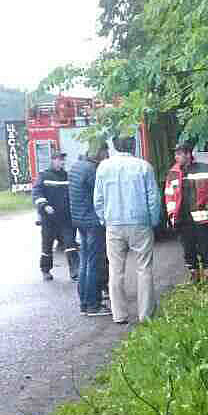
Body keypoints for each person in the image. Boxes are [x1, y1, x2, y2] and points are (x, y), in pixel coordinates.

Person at [93, 136, 162, 324]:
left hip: (113, 224)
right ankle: (145, 314)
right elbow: (153, 198)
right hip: (140, 223)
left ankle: (119, 315)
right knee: (144, 269)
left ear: (114, 146)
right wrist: (153, 220)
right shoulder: (144, 166)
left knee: (116, 270)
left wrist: (103, 219)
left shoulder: (103, 167)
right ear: (133, 146)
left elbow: (98, 199)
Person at [163, 140, 208, 284]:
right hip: (182, 219)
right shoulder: (173, 173)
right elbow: (169, 195)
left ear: (188, 154)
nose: (176, 157)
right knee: (188, 250)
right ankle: (194, 277)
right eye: (175, 154)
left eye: (179, 154)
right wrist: (172, 215)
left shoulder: (205, 169)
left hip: (202, 218)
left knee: (205, 248)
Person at [68, 141, 110, 316]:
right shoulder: (91, 170)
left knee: (85, 262)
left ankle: (85, 303)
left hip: (79, 221)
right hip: (92, 221)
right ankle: (93, 305)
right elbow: (101, 194)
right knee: (93, 263)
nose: (107, 156)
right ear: (98, 151)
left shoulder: (76, 166)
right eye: (105, 152)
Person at [31, 151, 78, 282]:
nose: (62, 162)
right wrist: (45, 206)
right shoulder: (44, 176)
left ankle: (75, 271)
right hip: (49, 219)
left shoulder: (67, 176)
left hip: (66, 218)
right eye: (59, 159)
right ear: (53, 160)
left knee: (71, 244)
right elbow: (36, 193)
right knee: (47, 246)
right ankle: (45, 270)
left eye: (63, 160)